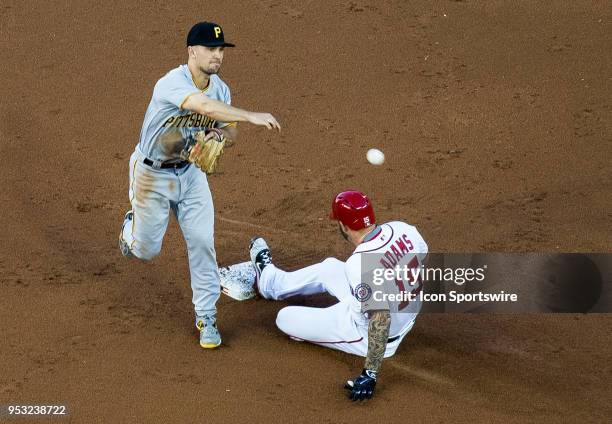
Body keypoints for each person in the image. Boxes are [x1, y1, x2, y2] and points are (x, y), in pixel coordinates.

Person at [118, 21, 281, 349]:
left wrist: (220, 135)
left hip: (190, 175)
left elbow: (228, 128)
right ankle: (130, 230)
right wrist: (251, 115)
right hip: (152, 174)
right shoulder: (171, 83)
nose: (217, 55)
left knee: (202, 242)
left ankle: (206, 316)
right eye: (210, 49)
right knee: (146, 250)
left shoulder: (221, 88)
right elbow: (203, 107)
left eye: (221, 50)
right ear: (192, 51)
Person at [248, 190, 428, 400]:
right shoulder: (404, 229)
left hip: (372, 334)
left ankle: (311, 327)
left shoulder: (359, 265)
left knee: (284, 318)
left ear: (344, 226)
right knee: (330, 267)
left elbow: (381, 318)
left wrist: (370, 373)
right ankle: (269, 281)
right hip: (407, 314)